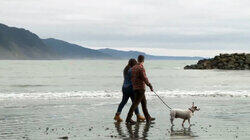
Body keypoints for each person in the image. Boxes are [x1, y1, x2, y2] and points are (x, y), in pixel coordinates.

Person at [126, 55, 155, 124]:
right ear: (143, 60)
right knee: (135, 104)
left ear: (138, 59)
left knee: (144, 103)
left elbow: (132, 78)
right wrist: (150, 85)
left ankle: (148, 117)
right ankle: (128, 118)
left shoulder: (133, 68)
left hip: (135, 88)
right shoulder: (141, 67)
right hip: (141, 88)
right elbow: (144, 78)